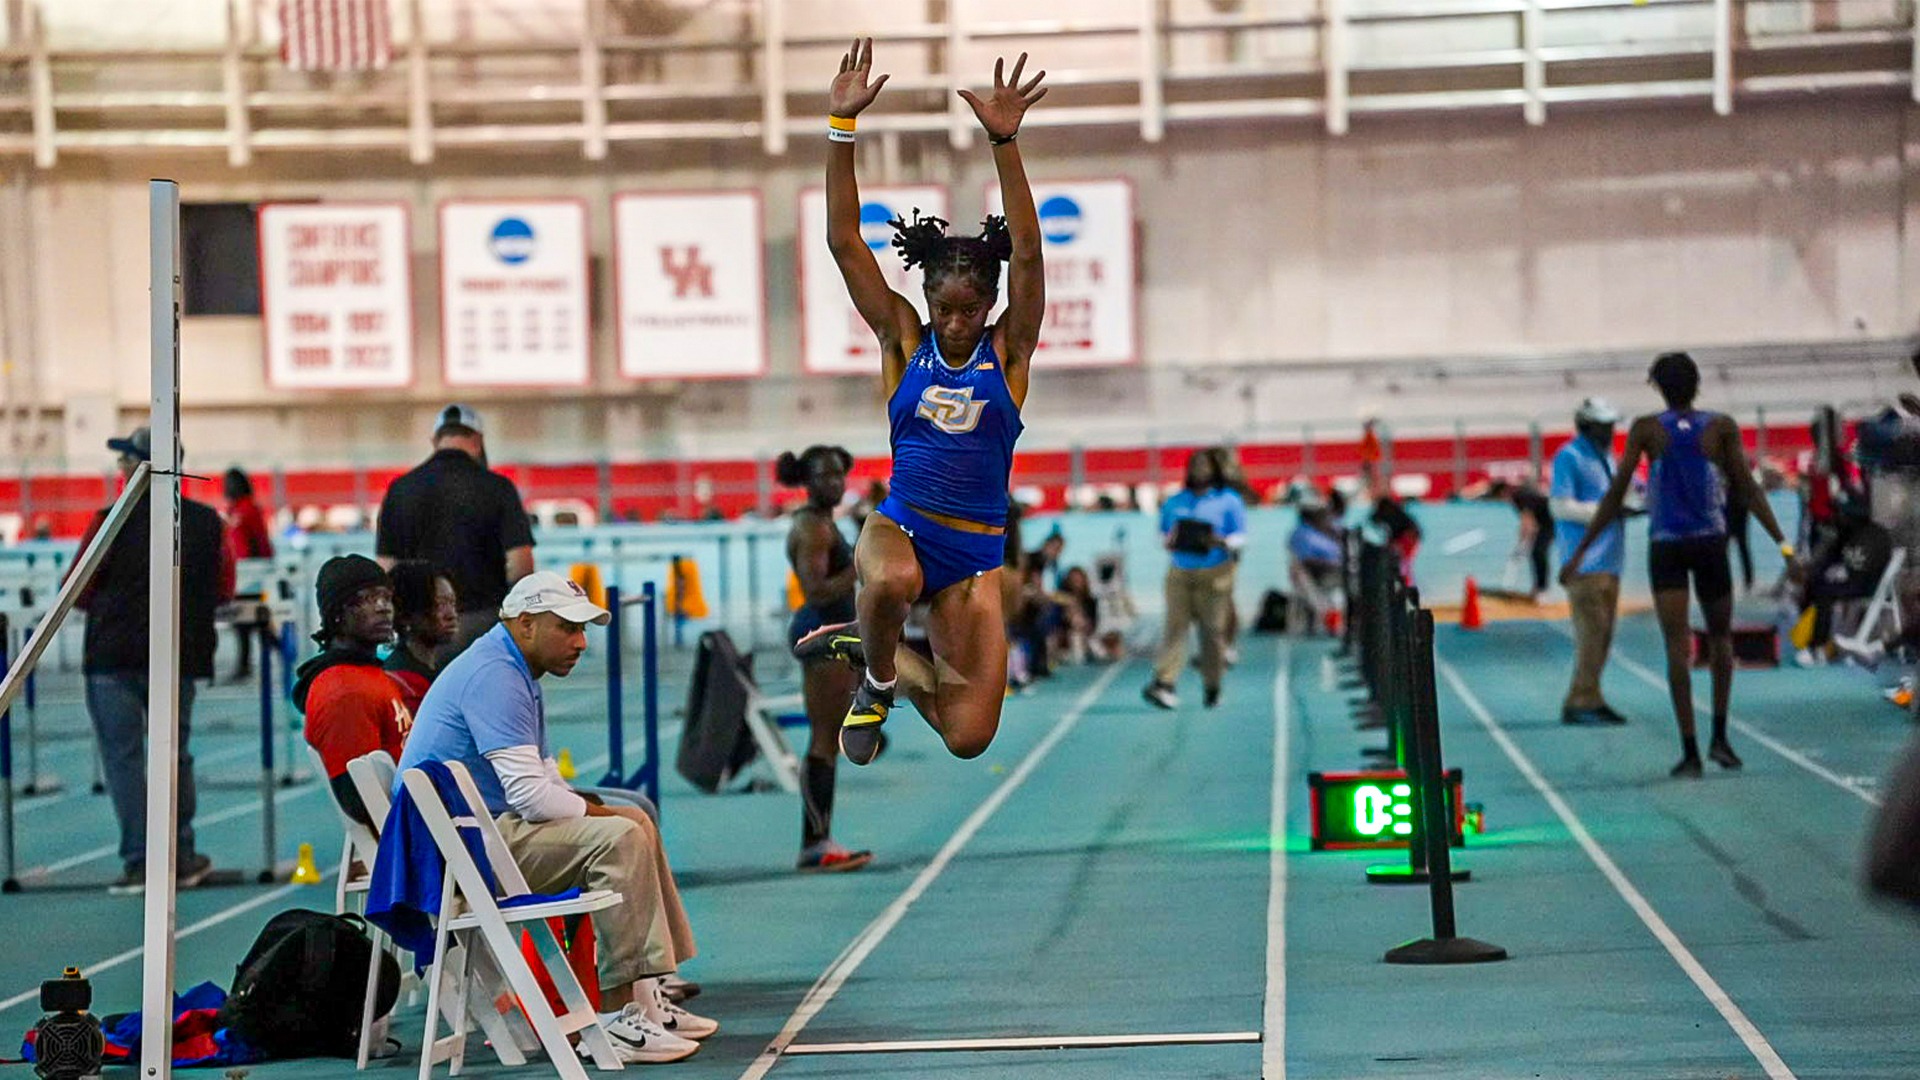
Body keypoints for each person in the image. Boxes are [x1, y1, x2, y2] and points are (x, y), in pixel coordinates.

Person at [794, 39, 1049, 766]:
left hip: (974, 555)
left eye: (970, 310)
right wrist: (840, 129)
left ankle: (868, 651)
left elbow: (1028, 254)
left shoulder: (1010, 353)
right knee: (896, 580)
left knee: (970, 737)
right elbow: (845, 243)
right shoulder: (904, 340)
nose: (956, 322)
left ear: (990, 303)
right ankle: (875, 680)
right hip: (901, 527)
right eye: (945, 307)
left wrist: (1005, 141)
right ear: (928, 299)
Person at [396, 571, 715, 1063]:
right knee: (620, 838)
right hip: (458, 858)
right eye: (567, 628)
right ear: (525, 624)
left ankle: (648, 997)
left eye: (583, 630)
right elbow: (531, 798)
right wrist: (598, 813)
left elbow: (542, 778)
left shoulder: (512, 666)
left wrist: (605, 811)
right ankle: (615, 1020)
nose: (582, 642)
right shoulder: (496, 676)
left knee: (635, 820)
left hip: (473, 837)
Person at [1562, 353, 1792, 777]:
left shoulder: (1647, 429)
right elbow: (1748, 490)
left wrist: (1579, 553)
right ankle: (1720, 738)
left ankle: (1690, 752)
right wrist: (1785, 546)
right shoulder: (1720, 427)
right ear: (1697, 384)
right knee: (1721, 639)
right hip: (1709, 543)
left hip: (1667, 546)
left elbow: (1614, 495)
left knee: (1676, 646)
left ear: (1657, 388)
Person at [72, 426, 233, 894]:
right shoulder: (207, 523)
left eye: (125, 462)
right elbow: (223, 588)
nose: (119, 469)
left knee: (124, 761)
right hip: (175, 657)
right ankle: (180, 856)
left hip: (111, 657)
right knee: (172, 755)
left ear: (138, 467)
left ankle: (142, 860)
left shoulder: (109, 519)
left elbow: (77, 590)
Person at [776, 445, 875, 873]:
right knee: (823, 740)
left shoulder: (823, 523)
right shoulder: (812, 530)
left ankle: (820, 840)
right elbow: (816, 591)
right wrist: (861, 562)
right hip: (822, 636)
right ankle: (815, 845)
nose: (833, 484)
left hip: (833, 634)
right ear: (806, 481)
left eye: (838, 475)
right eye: (823, 477)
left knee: (830, 736)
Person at [376, 404, 535, 660]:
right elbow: (521, 565)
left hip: (419, 630)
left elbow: (385, 567)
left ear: (435, 440)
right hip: (484, 625)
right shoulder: (499, 488)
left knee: (423, 697)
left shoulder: (401, 489)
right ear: (478, 440)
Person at [294, 556, 408, 826]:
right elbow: (362, 802)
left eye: (385, 597)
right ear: (337, 613)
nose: (383, 608)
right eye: (365, 599)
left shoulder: (367, 674)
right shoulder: (344, 691)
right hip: (410, 834)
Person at [1143, 449, 1248, 710]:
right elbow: (1162, 535)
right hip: (1181, 571)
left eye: (1204, 466)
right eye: (1195, 466)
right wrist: (1170, 541)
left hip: (1215, 574)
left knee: (1212, 632)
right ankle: (1164, 682)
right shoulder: (1175, 502)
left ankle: (1213, 684)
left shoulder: (1229, 501)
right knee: (1175, 627)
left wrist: (1221, 541)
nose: (1199, 471)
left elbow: (1240, 535)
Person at [1551, 398, 1630, 726]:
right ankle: (1580, 699)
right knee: (1591, 634)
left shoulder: (1607, 458)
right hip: (1584, 562)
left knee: (1603, 635)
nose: (1610, 431)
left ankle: (1591, 696)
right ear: (1586, 425)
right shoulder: (1569, 457)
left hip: (1609, 560)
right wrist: (1606, 511)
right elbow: (1561, 506)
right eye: (1603, 425)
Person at [385, 560, 458, 716]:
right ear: (406, 615)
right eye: (438, 605)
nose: (451, 614)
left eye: (452, 602)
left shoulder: (441, 669)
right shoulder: (401, 682)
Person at [222, 467, 273, 683]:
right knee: (249, 621)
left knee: (245, 621)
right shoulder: (233, 511)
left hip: (252, 574)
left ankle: (247, 665)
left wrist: (265, 566)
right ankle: (269, 649)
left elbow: (260, 539)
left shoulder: (248, 509)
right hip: (240, 574)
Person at [1288, 501, 1343, 636]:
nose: (1326, 517)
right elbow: (1306, 561)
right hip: (1320, 575)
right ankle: (1334, 620)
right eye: (1321, 514)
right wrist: (1333, 565)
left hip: (1337, 571)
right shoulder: (1303, 534)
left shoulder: (1324, 530)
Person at [1508, 483, 1554, 599]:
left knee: (1539, 552)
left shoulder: (1519, 498)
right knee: (1536, 552)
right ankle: (1538, 588)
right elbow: (1531, 522)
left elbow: (1526, 522)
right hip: (1544, 523)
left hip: (1553, 522)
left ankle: (1542, 589)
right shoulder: (1522, 497)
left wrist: (1520, 545)